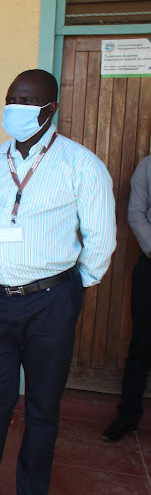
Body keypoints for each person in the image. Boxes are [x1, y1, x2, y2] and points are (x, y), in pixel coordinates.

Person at [0, 70, 116, 495]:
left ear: (51, 109)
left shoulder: (81, 164)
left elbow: (101, 238)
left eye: (28, 101)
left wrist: (71, 289)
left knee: (43, 408)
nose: (16, 107)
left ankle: (31, 489)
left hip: (51, 303)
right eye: (12, 98)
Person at [102, 154, 151, 442]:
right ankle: (128, 416)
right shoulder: (146, 166)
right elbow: (136, 213)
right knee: (142, 345)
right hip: (149, 266)